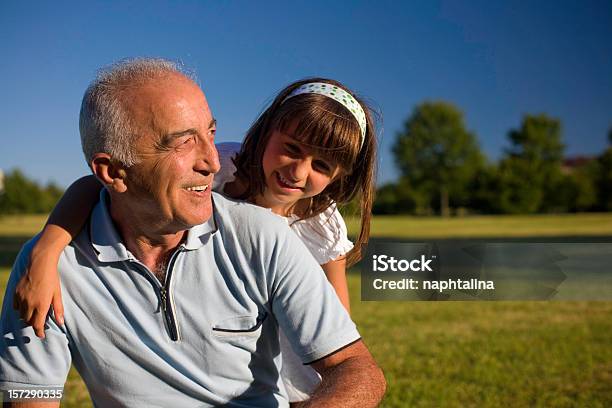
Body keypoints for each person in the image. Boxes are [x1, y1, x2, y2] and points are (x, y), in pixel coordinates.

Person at [0, 58, 386, 407]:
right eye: (185, 141)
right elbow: (93, 187)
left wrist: (328, 377)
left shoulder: (308, 227)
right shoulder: (228, 168)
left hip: (296, 374)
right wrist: (48, 248)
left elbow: (342, 346)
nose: (210, 160)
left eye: (321, 165)